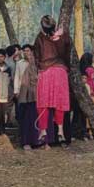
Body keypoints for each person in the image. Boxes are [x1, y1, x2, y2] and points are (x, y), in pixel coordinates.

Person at [33, 15, 72, 143]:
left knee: (43, 101)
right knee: (59, 101)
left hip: (45, 72)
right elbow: (67, 51)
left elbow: (36, 56)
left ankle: (43, 130)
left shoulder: (40, 38)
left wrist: (40, 67)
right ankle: (60, 129)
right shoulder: (63, 37)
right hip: (60, 71)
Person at [17, 46, 42, 150]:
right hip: (29, 98)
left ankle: (37, 141)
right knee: (28, 120)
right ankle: (26, 142)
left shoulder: (41, 67)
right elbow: (24, 83)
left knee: (38, 120)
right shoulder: (27, 69)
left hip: (40, 97)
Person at [0, 49, 13, 135]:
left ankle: (2, 131)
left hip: (4, 95)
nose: (0, 58)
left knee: (3, 114)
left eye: (2, 56)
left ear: (5, 57)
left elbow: (10, 82)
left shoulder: (8, 69)